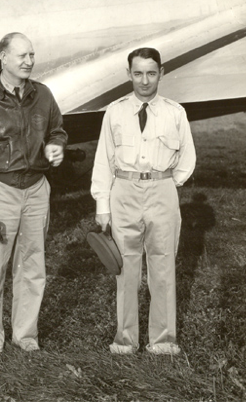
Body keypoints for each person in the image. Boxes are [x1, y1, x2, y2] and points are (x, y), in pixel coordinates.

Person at [0, 32, 67, 353]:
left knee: (33, 264)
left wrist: (56, 146)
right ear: (3, 57)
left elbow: (57, 129)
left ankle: (25, 335)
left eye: (32, 55)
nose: (29, 61)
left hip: (36, 188)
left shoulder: (43, 95)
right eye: (22, 56)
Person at [91, 47, 196, 355]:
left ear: (161, 73)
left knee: (163, 267)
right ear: (129, 75)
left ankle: (163, 341)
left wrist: (166, 184)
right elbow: (103, 161)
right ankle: (125, 340)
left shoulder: (175, 112)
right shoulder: (115, 111)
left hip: (162, 191)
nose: (145, 81)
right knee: (125, 269)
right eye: (138, 73)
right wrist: (102, 205)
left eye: (151, 73)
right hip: (123, 192)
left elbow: (187, 158)